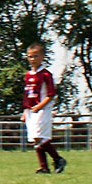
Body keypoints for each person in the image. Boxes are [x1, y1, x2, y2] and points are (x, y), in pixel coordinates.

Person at [23, 42, 67, 174]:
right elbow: (27, 94)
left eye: (35, 56)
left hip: (42, 109)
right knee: (35, 139)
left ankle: (58, 159)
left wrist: (39, 106)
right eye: (30, 56)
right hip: (30, 110)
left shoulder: (46, 74)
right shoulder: (28, 75)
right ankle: (44, 167)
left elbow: (51, 95)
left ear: (42, 57)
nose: (32, 59)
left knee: (38, 136)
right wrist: (25, 110)